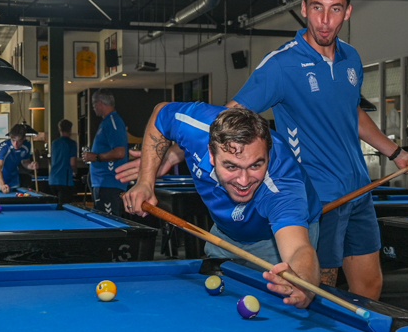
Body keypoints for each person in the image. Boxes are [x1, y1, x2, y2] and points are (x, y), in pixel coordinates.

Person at [227, 0, 408, 300]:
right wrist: (178, 148)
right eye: (317, 7)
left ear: (347, 12)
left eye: (335, 9)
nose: (325, 20)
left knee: (369, 286)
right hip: (317, 195)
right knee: (319, 289)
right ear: (304, 8)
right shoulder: (282, 64)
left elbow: (353, 113)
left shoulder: (351, 58)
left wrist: (396, 153)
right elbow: (230, 117)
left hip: (358, 189)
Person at [123, 103, 321, 308]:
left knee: (276, 307)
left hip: (270, 239)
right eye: (231, 166)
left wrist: (303, 282)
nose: (244, 181)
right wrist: (145, 182)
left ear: (268, 155)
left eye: (255, 165)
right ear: (211, 153)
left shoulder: (282, 185)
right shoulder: (196, 126)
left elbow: (298, 247)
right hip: (224, 232)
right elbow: (160, 114)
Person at [82, 90, 128, 216]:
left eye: (93, 104)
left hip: (109, 183)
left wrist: (96, 157)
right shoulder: (107, 122)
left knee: (109, 222)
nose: (93, 108)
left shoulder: (113, 122)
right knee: (102, 220)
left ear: (100, 103)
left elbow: (120, 152)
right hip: (102, 183)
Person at [0, 124, 37, 193]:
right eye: (13, 140)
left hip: (13, 181)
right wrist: (1, 185)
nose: (15, 144)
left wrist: (30, 166)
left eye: (19, 141)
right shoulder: (4, 146)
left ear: (24, 138)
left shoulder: (27, 145)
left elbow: (25, 162)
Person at [48, 119, 78, 206]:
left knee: (55, 206)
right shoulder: (72, 143)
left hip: (53, 179)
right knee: (64, 207)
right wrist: (75, 171)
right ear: (70, 130)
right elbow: (72, 163)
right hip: (64, 180)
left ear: (59, 130)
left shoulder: (54, 143)